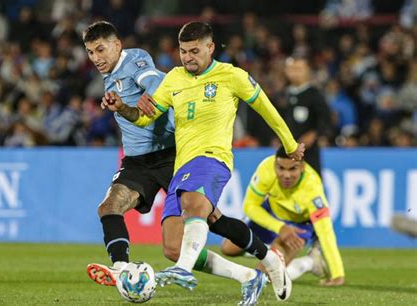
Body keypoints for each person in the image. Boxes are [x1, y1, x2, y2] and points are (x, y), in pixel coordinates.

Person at [101, 21, 305, 302]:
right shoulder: (174, 79)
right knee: (174, 246)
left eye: (194, 51)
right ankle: (264, 263)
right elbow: (145, 117)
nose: (187, 57)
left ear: (210, 48)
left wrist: (290, 144)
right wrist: (123, 108)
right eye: (183, 51)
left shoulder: (232, 76)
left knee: (193, 208)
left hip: (212, 158)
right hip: (181, 167)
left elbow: (267, 109)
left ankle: (183, 269)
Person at [221, 147, 345, 286]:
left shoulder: (312, 187)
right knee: (228, 248)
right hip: (271, 215)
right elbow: (249, 206)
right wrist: (279, 227)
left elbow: (325, 232)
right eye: (281, 168)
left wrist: (337, 274)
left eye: (293, 169)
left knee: (263, 275)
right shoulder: (266, 169)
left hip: (297, 227)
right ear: (275, 164)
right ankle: (273, 252)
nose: (286, 175)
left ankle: (310, 262)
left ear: (302, 167)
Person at [284, 56, 331, 175]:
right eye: (292, 69)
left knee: (311, 181)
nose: (295, 73)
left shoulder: (315, 95)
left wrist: (314, 133)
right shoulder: (283, 95)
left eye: (299, 69)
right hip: (286, 149)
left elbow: (326, 117)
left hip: (308, 151)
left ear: (307, 71)